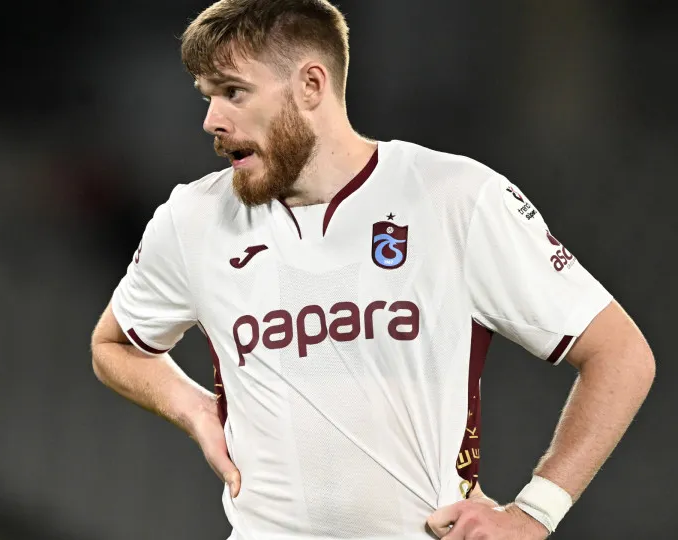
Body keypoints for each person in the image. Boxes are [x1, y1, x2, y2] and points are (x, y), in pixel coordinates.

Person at [90, 1, 655, 538]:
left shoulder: (454, 197)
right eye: (208, 96)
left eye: (234, 92)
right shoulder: (192, 218)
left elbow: (620, 353)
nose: (212, 120)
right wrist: (195, 410)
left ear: (311, 85)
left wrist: (534, 513)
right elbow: (112, 344)